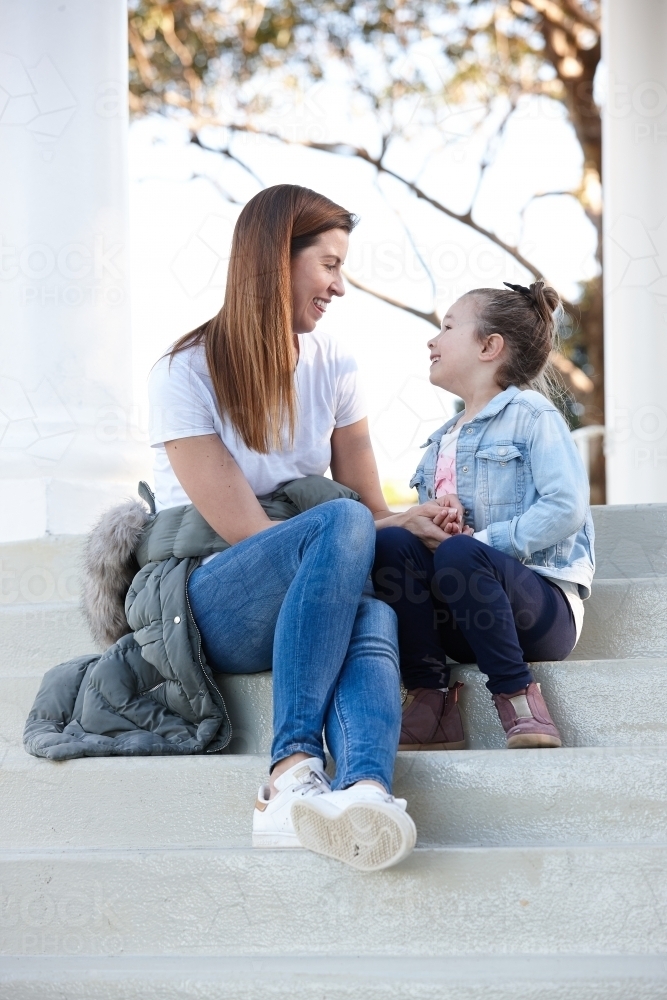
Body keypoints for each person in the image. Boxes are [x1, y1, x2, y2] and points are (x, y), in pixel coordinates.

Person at [147, 184, 455, 870]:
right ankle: (287, 772)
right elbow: (251, 537)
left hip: (310, 586)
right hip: (211, 599)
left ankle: (365, 792)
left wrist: (409, 518)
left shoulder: (336, 365)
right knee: (339, 526)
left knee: (371, 609)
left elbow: (370, 510)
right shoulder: (182, 371)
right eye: (329, 265)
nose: (340, 287)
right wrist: (362, 522)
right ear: (273, 261)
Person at [372, 280, 595, 751]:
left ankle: (517, 696)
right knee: (395, 542)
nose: (432, 340)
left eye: (447, 326)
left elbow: (566, 506)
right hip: (462, 614)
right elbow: (448, 543)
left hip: (537, 611)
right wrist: (441, 522)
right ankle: (430, 702)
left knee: (460, 553)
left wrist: (479, 542)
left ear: (490, 346)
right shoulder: (437, 444)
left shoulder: (533, 416)